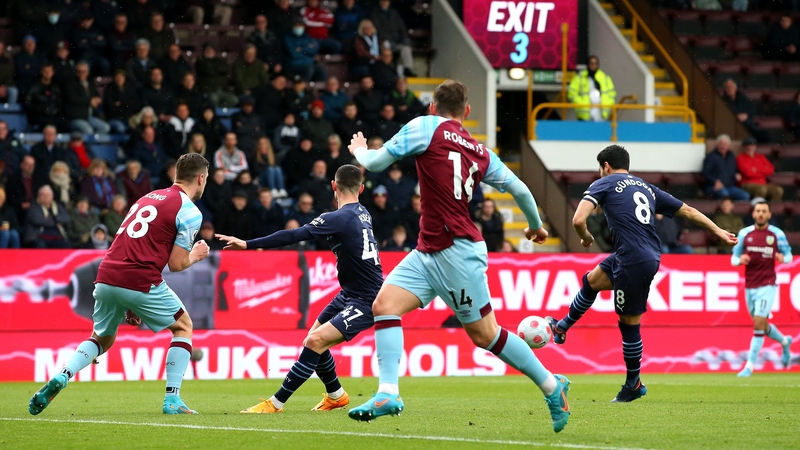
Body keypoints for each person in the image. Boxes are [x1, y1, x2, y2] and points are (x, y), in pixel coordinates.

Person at [347, 80, 570, 432]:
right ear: (466, 112)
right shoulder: (480, 151)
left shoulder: (425, 126)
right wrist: (536, 226)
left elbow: (374, 163)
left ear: (433, 107)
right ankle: (387, 393)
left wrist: (360, 150)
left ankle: (552, 386)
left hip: (457, 252)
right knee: (384, 306)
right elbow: (521, 189)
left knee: (485, 336)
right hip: (429, 249)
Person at [546, 145, 737, 403]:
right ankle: (562, 327)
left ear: (606, 166)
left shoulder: (604, 183)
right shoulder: (646, 187)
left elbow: (578, 220)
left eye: (600, 168)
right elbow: (688, 211)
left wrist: (586, 237)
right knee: (592, 281)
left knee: (628, 323)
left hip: (633, 260)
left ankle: (633, 384)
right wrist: (720, 232)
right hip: (640, 254)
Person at [28, 153, 209, 416]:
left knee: (102, 337)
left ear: (176, 174)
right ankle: (173, 400)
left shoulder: (147, 198)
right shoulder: (189, 211)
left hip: (107, 273)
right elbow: (177, 264)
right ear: (201, 178)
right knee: (183, 326)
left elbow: (136, 244)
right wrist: (197, 255)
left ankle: (63, 375)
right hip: (138, 277)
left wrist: (129, 300)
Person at [216, 164, 383, 414]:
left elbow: (292, 236)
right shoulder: (363, 212)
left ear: (333, 186)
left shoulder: (337, 217)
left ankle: (275, 403)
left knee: (315, 341)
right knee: (313, 340)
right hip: (350, 293)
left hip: (366, 299)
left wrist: (248, 244)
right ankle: (336, 395)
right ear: (361, 188)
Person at [732, 201, 794, 377]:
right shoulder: (745, 234)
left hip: (768, 284)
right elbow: (734, 258)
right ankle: (784, 341)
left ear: (769, 215)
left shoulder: (776, 234)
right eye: (758, 211)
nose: (760, 214)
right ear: (753, 214)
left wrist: (783, 257)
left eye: (764, 211)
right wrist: (740, 259)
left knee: (758, 324)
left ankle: (749, 366)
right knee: (761, 324)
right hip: (750, 285)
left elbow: (788, 255)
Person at [63, 61, 111, 135]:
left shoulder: (90, 84)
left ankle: (93, 146)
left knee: (105, 128)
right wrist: (90, 101)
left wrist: (97, 100)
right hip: (75, 117)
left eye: (84, 71)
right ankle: (88, 146)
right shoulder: (71, 84)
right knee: (88, 131)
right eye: (79, 71)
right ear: (76, 72)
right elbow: (73, 99)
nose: (82, 74)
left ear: (88, 72)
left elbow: (97, 96)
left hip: (88, 116)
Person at [369, 0, 414, 76]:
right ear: (380, 2)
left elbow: (401, 26)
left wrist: (405, 38)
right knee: (386, 46)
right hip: (383, 40)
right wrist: (388, 39)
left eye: (386, 1)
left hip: (396, 41)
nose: (385, 3)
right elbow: (377, 29)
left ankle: (407, 68)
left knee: (406, 48)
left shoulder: (393, 12)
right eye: (383, 1)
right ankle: (388, 68)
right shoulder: (375, 13)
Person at [567, 56, 616, 122]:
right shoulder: (580, 77)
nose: (593, 65)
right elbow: (571, 93)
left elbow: (612, 94)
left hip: (600, 111)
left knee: (599, 131)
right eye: (591, 63)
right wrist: (581, 103)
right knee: (585, 131)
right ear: (588, 64)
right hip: (585, 112)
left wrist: (606, 104)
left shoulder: (605, 77)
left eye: (595, 63)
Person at [703, 134, 750, 201]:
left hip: (729, 186)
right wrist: (715, 181)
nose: (723, 146)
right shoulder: (711, 157)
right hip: (713, 187)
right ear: (717, 145)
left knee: (745, 195)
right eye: (721, 144)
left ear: (729, 146)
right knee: (724, 194)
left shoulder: (731, 156)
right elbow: (705, 173)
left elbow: (734, 170)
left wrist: (737, 175)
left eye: (725, 144)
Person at [195, 42, 238, 108]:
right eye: (207, 50)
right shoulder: (200, 61)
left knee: (234, 99)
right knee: (214, 99)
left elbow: (225, 68)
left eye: (211, 50)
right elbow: (209, 71)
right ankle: (215, 114)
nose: (209, 52)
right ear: (203, 51)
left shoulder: (219, 60)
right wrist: (217, 69)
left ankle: (220, 111)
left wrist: (213, 67)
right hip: (209, 91)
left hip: (222, 90)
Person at [25, 64, 63, 131]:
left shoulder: (56, 87)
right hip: (38, 116)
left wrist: (53, 111)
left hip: (53, 116)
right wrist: (40, 109)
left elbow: (59, 104)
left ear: (53, 72)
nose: (47, 73)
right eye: (45, 71)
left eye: (49, 71)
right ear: (41, 72)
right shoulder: (34, 86)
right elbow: (28, 102)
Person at [103, 69, 142, 134]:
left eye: (121, 77)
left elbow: (136, 105)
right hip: (114, 118)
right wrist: (127, 104)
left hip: (129, 118)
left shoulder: (130, 89)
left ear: (124, 78)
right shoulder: (109, 90)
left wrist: (121, 103)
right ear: (114, 78)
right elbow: (110, 107)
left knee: (137, 128)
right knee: (121, 128)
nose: (119, 79)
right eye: (117, 77)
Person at [0, 41, 18, 106]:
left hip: (5, 86)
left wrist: (4, 86)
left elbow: (10, 76)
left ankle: (10, 113)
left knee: (13, 91)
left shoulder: (6, 61)